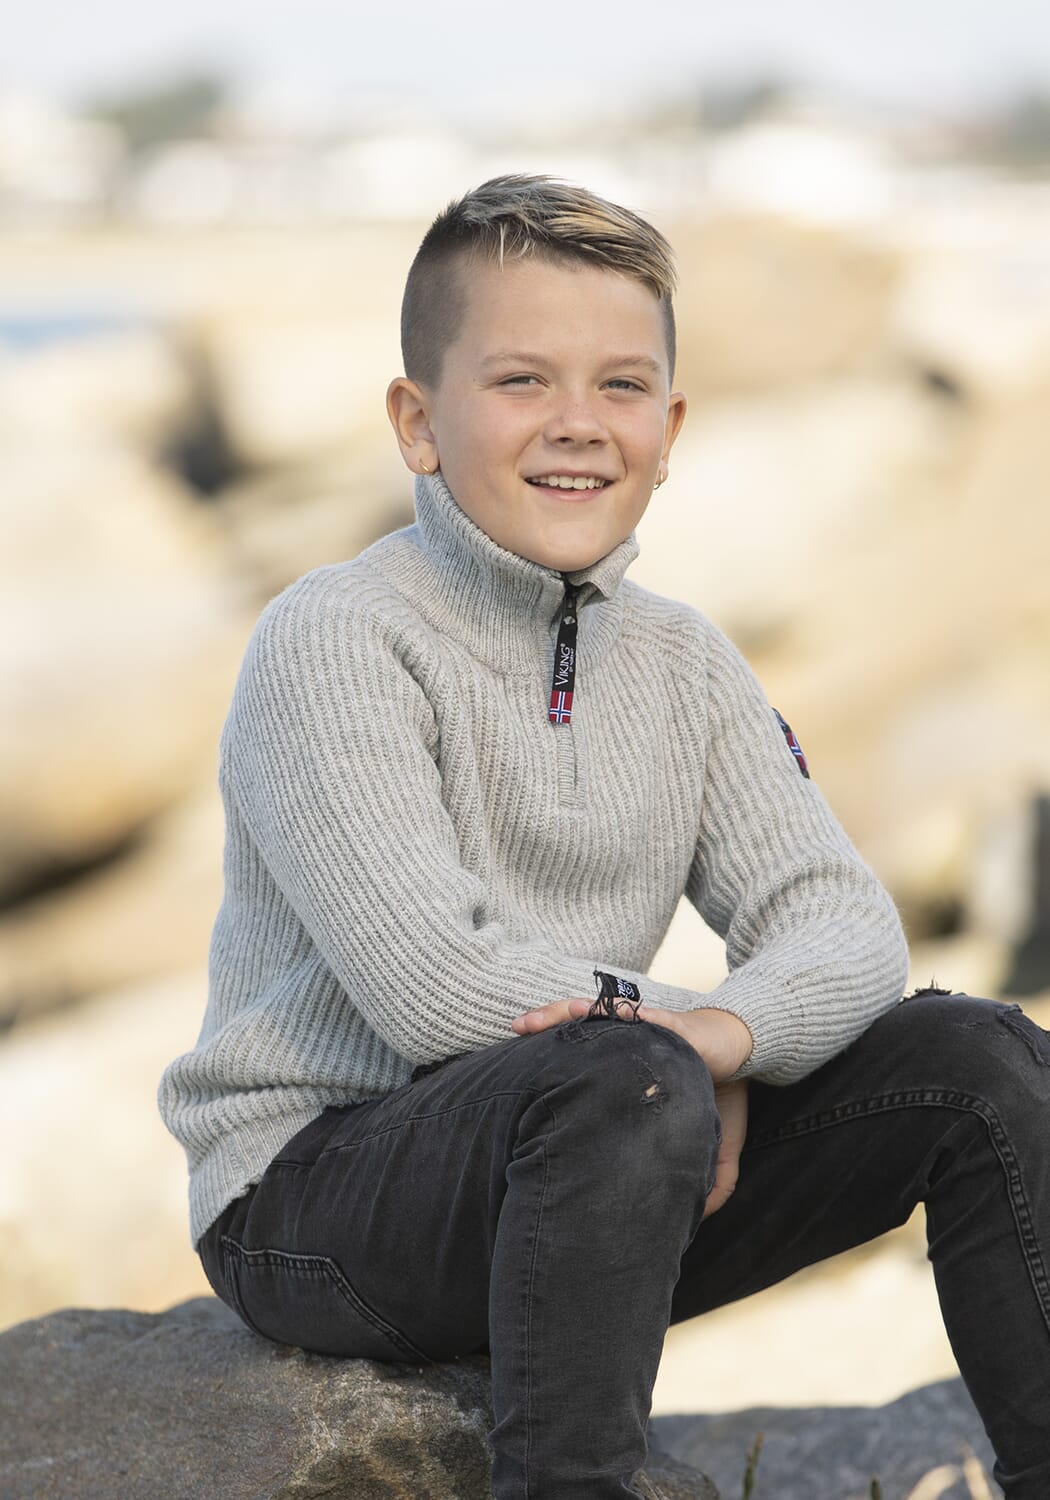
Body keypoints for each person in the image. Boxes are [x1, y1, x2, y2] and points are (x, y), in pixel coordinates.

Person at [158, 174, 1050, 1499]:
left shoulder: (685, 665)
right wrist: (689, 1037)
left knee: (978, 1059)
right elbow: (437, 986)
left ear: (669, 428)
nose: (578, 423)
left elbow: (845, 929)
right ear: (417, 421)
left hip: (610, 1150)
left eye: (621, 386)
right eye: (521, 379)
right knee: (625, 1083)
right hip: (319, 1197)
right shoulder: (333, 640)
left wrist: (730, 1038)